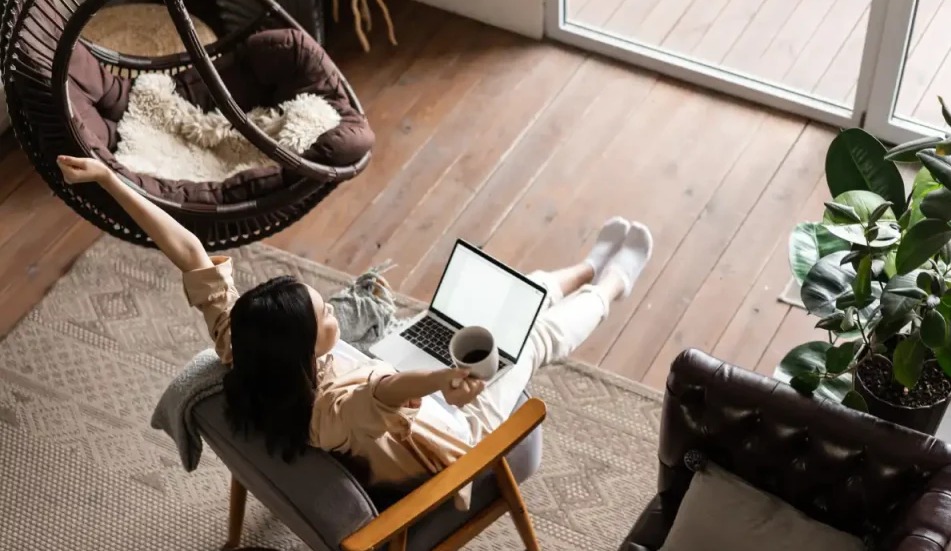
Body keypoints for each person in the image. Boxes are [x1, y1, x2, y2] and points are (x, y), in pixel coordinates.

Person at [57, 155, 654, 509]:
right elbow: (384, 394)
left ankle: (579, 269)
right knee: (532, 339)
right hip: (450, 437)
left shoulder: (246, 349)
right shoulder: (330, 413)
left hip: (388, 373)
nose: (334, 312)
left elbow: (189, 252)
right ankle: (610, 286)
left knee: (486, 304)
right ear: (300, 353)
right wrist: (448, 377)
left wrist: (110, 179)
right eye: (325, 317)